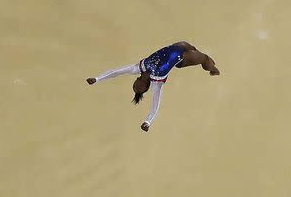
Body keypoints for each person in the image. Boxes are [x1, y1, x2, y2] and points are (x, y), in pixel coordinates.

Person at [86, 41, 220, 132]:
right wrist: (147, 122)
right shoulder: (157, 83)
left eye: (136, 82)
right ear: (146, 86)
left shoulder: (139, 68)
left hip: (177, 46)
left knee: (191, 47)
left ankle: (201, 57)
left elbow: (115, 72)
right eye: (140, 84)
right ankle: (212, 69)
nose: (138, 80)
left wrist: (97, 79)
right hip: (182, 58)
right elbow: (155, 105)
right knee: (205, 59)